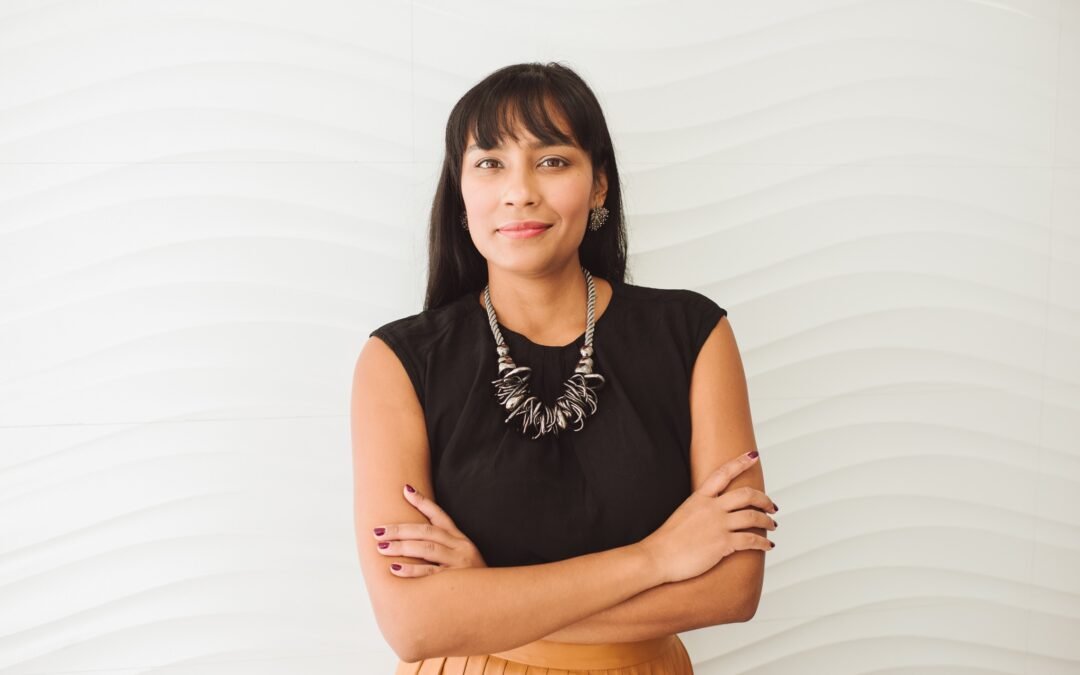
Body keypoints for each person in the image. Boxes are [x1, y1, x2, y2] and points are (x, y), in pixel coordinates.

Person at [351, 62, 777, 674]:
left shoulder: (694, 334)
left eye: (552, 161)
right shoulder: (398, 360)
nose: (520, 191)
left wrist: (486, 597)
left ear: (599, 185)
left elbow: (733, 590)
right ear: (461, 188)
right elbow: (414, 625)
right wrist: (656, 559)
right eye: (490, 163)